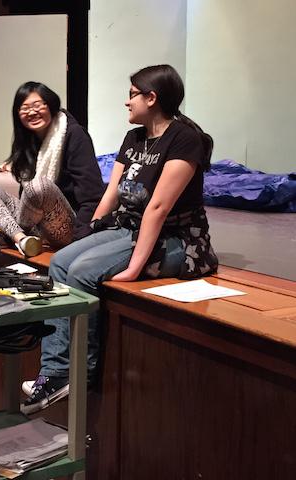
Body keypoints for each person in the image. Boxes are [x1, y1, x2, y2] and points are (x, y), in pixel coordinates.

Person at [21, 65, 219, 414]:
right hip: (129, 228)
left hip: (177, 240)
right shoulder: (135, 138)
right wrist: (91, 234)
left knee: (81, 272)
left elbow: (157, 208)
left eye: (132, 94)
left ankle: (82, 373)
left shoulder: (184, 138)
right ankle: (54, 370)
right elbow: (111, 193)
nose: (127, 102)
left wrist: (134, 268)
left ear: (152, 98)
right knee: (60, 262)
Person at [0, 81, 105, 257]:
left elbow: (92, 196)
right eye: (25, 108)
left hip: (69, 227)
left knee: (39, 186)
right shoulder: (28, 140)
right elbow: (24, 195)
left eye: (37, 105)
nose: (32, 112)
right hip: (36, 224)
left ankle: (11, 235)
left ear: (51, 105)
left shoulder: (74, 134)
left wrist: (79, 240)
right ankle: (21, 238)